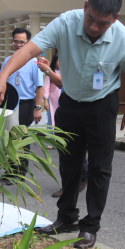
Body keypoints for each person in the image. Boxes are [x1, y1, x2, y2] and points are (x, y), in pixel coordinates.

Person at [0, 0, 125, 249]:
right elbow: (28, 50)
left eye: (102, 23)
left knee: (99, 168)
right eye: (90, 19)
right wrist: (2, 75)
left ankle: (90, 226)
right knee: (69, 163)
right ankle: (67, 217)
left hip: (103, 105)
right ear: (85, 6)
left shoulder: (123, 37)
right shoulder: (66, 23)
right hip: (70, 101)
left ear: (114, 19)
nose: (94, 27)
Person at [0, 27, 44, 185]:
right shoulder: (7, 60)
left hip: (25, 104)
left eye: (22, 42)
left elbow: (39, 87)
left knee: (22, 139)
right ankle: (9, 171)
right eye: (16, 41)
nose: (18, 44)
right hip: (9, 104)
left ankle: (21, 173)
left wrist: (37, 108)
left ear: (28, 43)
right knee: (8, 139)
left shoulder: (33, 62)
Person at [37, 55, 88, 197]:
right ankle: (72, 184)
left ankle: (79, 180)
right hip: (63, 109)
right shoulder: (63, 69)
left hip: (77, 111)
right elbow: (57, 84)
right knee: (65, 151)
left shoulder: (77, 66)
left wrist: (47, 70)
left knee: (73, 150)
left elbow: (63, 83)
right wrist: (49, 70)